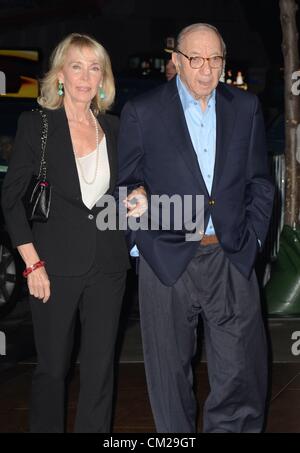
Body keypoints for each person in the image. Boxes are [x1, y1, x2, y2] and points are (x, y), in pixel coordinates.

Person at [118, 23, 274, 433]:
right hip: (166, 259)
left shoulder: (246, 109)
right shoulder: (143, 112)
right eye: (196, 59)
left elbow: (260, 181)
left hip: (231, 253)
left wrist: (254, 237)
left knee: (241, 371)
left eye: (215, 59)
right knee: (168, 375)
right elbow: (126, 187)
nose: (206, 69)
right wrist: (143, 245)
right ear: (176, 60)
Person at [1, 33, 130, 433]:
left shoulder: (116, 127)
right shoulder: (37, 124)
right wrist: (31, 263)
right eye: (76, 66)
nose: (85, 76)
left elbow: (125, 188)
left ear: (103, 79)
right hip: (52, 267)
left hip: (109, 266)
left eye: (95, 68)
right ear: (59, 75)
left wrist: (136, 197)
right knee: (53, 369)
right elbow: (10, 199)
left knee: (99, 371)